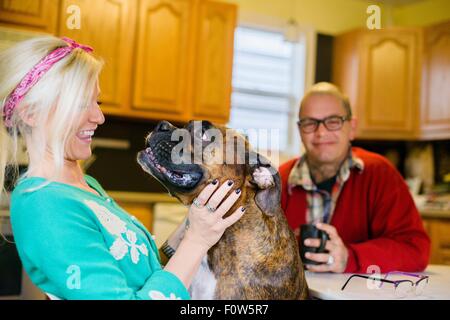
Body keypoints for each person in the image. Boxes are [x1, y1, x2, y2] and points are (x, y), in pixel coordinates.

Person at [0, 36, 245, 299]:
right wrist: (196, 240)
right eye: (82, 104)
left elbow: (140, 272)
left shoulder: (81, 184)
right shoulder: (43, 203)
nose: (99, 117)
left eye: (98, 103)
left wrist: (196, 224)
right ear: (31, 113)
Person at [279, 82, 430, 274]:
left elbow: (415, 249)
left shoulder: (380, 174)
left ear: (352, 127)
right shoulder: (278, 181)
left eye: (333, 121)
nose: (321, 132)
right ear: (300, 131)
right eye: (310, 123)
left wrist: (350, 258)